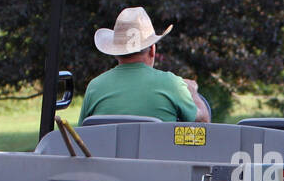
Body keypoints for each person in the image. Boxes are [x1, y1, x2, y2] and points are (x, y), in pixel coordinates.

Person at [77, 7, 211, 124]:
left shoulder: (94, 87)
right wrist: (193, 92)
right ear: (152, 50)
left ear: (116, 53)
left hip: (105, 154)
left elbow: (82, 133)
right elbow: (204, 121)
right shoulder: (172, 84)